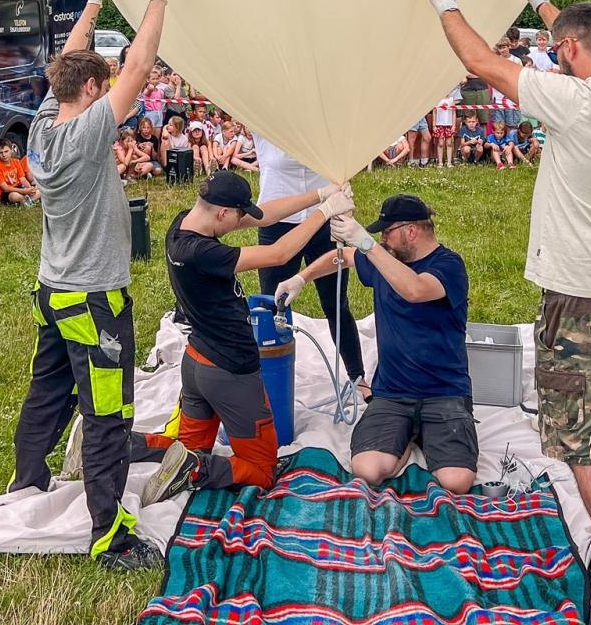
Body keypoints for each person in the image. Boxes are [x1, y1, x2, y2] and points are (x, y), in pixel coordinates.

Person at [415, 0, 591, 624]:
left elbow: (481, 60)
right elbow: (581, 42)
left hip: (582, 305)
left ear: (569, 54)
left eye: (560, 49)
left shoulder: (576, 102)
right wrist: (540, 1)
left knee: (582, 447)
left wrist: (447, 1)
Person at [9, 0, 170, 573]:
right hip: (94, 298)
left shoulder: (45, 124)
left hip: (54, 291)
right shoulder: (86, 132)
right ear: (95, 91)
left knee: (49, 390)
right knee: (107, 412)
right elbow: (141, 64)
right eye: (104, 83)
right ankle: (109, 534)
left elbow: (65, 66)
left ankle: (27, 479)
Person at [131, 173, 355, 503]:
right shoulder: (203, 252)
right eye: (239, 214)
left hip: (196, 364)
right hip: (230, 371)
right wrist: (324, 213)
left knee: (190, 446)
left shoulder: (184, 225)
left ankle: (119, 444)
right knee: (262, 469)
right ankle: (195, 471)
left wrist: (320, 195)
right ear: (222, 212)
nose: (243, 219)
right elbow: (278, 254)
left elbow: (268, 213)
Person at [283, 195, 476, 497]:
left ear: (411, 231)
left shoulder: (449, 265)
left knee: (456, 482)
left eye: (387, 232)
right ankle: (406, 436)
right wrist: (302, 277)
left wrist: (368, 245)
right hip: (393, 392)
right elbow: (344, 256)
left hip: (445, 392)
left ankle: (417, 435)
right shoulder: (386, 258)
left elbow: (415, 289)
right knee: (367, 470)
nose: (381, 238)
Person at [253, 134, 368, 395]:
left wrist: (343, 203)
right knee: (274, 303)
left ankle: (356, 376)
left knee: (336, 302)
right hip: (277, 221)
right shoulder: (264, 126)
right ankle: (267, 380)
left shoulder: (322, 125)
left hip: (325, 218)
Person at [0, 137, 39, 205]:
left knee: (39, 191)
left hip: (18, 188)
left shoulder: (16, 162)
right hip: (4, 193)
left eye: (6, 151)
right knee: (15, 196)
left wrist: (30, 189)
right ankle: (26, 201)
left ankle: (25, 201)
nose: (4, 155)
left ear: (11, 150)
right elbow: (6, 189)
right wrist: (24, 191)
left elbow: (23, 179)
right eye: (1, 153)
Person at [430, 89, 458, 167]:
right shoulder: (437, 99)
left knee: (449, 143)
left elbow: (453, 113)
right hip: (439, 124)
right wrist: (434, 125)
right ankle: (440, 162)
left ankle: (449, 162)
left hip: (449, 124)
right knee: (440, 143)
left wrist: (453, 125)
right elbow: (434, 112)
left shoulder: (451, 99)